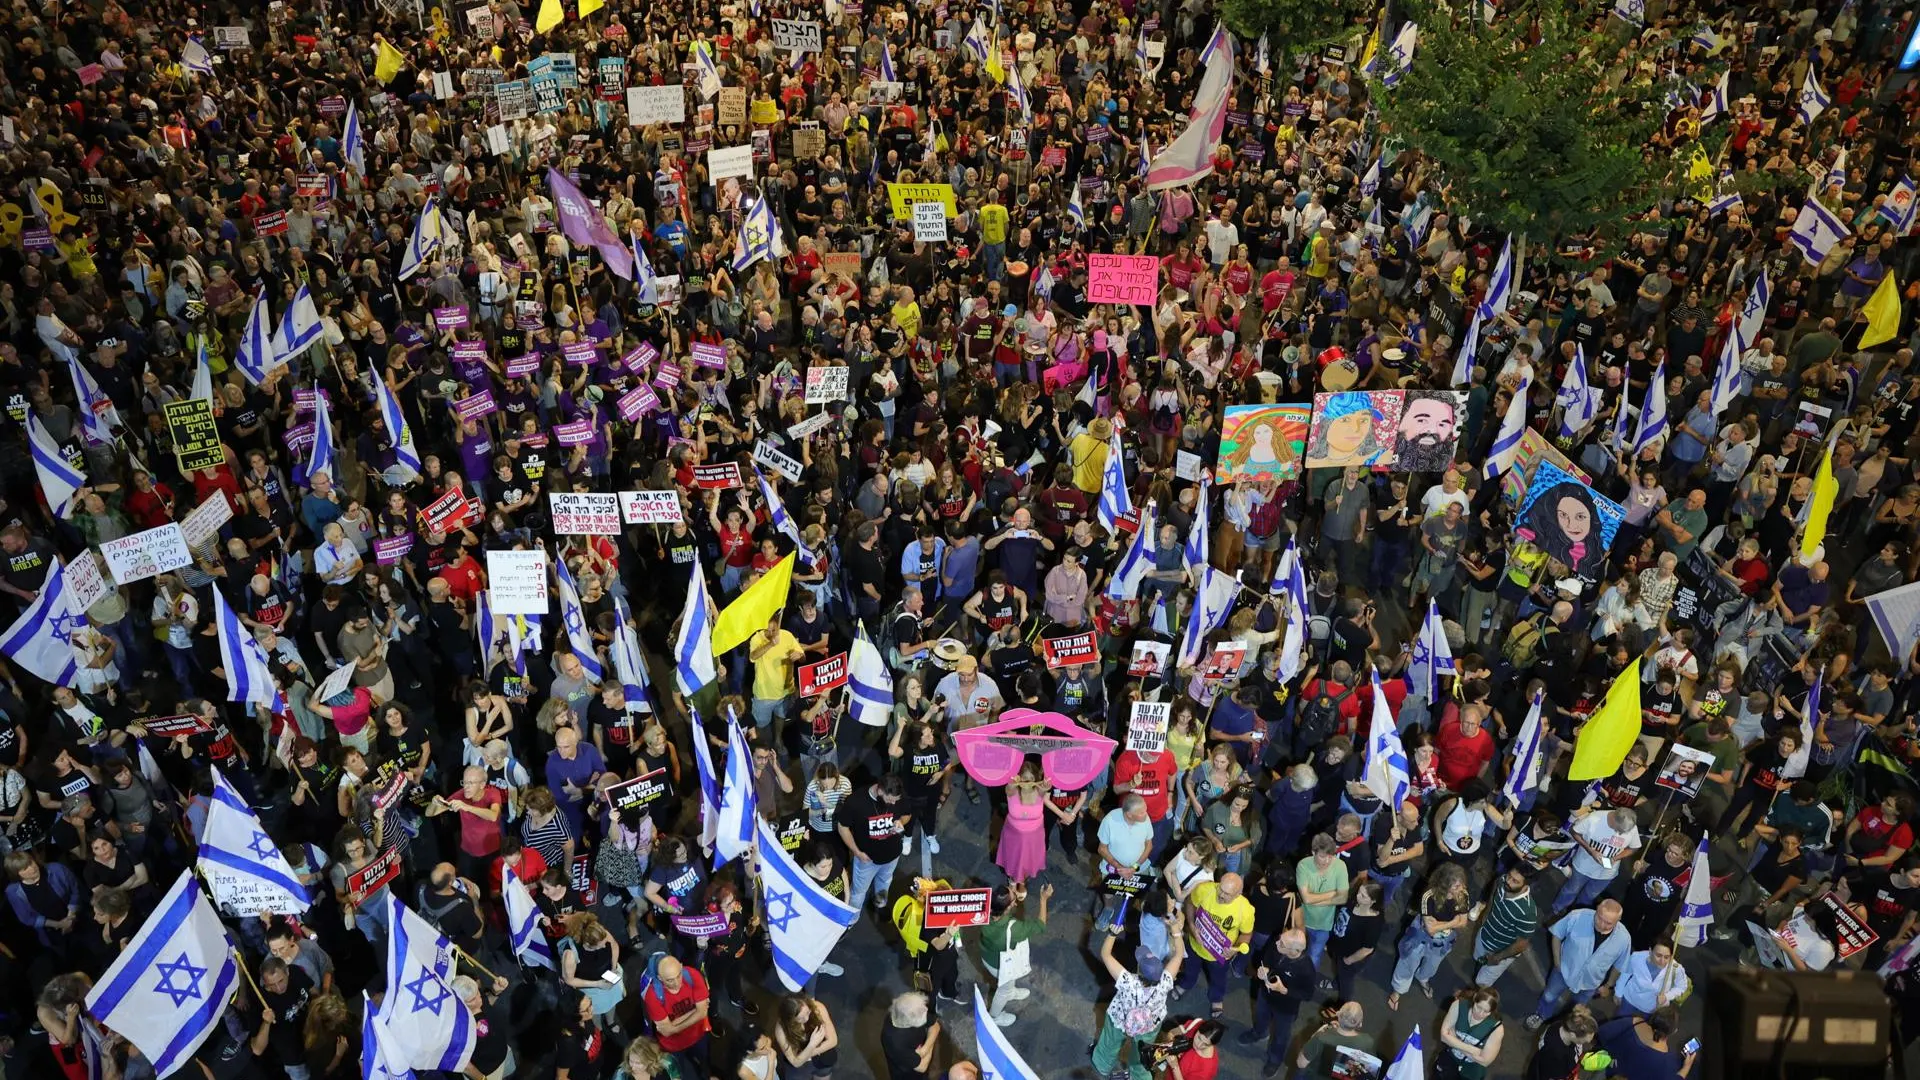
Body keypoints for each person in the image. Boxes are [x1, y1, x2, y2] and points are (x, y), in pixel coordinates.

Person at [1092, 917, 1185, 1080]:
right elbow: (1178, 956)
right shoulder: (1165, 981)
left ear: (1140, 971)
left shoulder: (1127, 981)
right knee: (1143, 1054)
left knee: (1109, 1043)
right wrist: (1176, 930)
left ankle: (1103, 1066)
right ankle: (1140, 1077)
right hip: (1148, 1026)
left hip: (1120, 1020)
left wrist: (1112, 934)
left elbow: (1105, 955)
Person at [1527, 898, 1633, 1029]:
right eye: (1599, 917)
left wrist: (1608, 985)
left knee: (1578, 1010)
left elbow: (1620, 965)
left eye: (1608, 923)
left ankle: (1564, 1028)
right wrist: (1557, 962)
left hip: (1590, 983)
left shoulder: (1624, 939)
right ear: (1597, 910)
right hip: (1564, 971)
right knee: (1549, 996)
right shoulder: (1577, 916)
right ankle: (1541, 1015)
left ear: (1618, 920)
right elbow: (1557, 934)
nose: (1601, 924)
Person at [980, 881, 1050, 1026]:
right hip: (1001, 967)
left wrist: (1010, 891)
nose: (1016, 900)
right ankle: (994, 1017)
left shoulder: (984, 911)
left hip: (987, 956)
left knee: (1008, 985)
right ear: (1008, 908)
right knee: (1002, 991)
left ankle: (1011, 991)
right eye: (1013, 900)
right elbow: (1040, 926)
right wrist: (1043, 899)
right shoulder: (1013, 929)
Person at [1436, 987, 1506, 1080]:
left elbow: (1485, 1061)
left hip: (1471, 1073)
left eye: (1486, 1012)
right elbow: (1444, 1037)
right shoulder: (1458, 1005)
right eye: (1478, 1007)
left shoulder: (1497, 1029)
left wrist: (1454, 1041)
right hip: (1449, 1061)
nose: (1480, 1014)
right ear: (1475, 998)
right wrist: (1473, 1050)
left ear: (1491, 1011)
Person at [880, 991, 940, 1080]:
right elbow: (922, 1067)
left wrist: (924, 1050)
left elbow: (936, 1026)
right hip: (907, 1075)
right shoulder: (895, 1042)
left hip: (917, 1056)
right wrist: (930, 1043)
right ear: (910, 1023)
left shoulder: (912, 1010)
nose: (926, 1010)